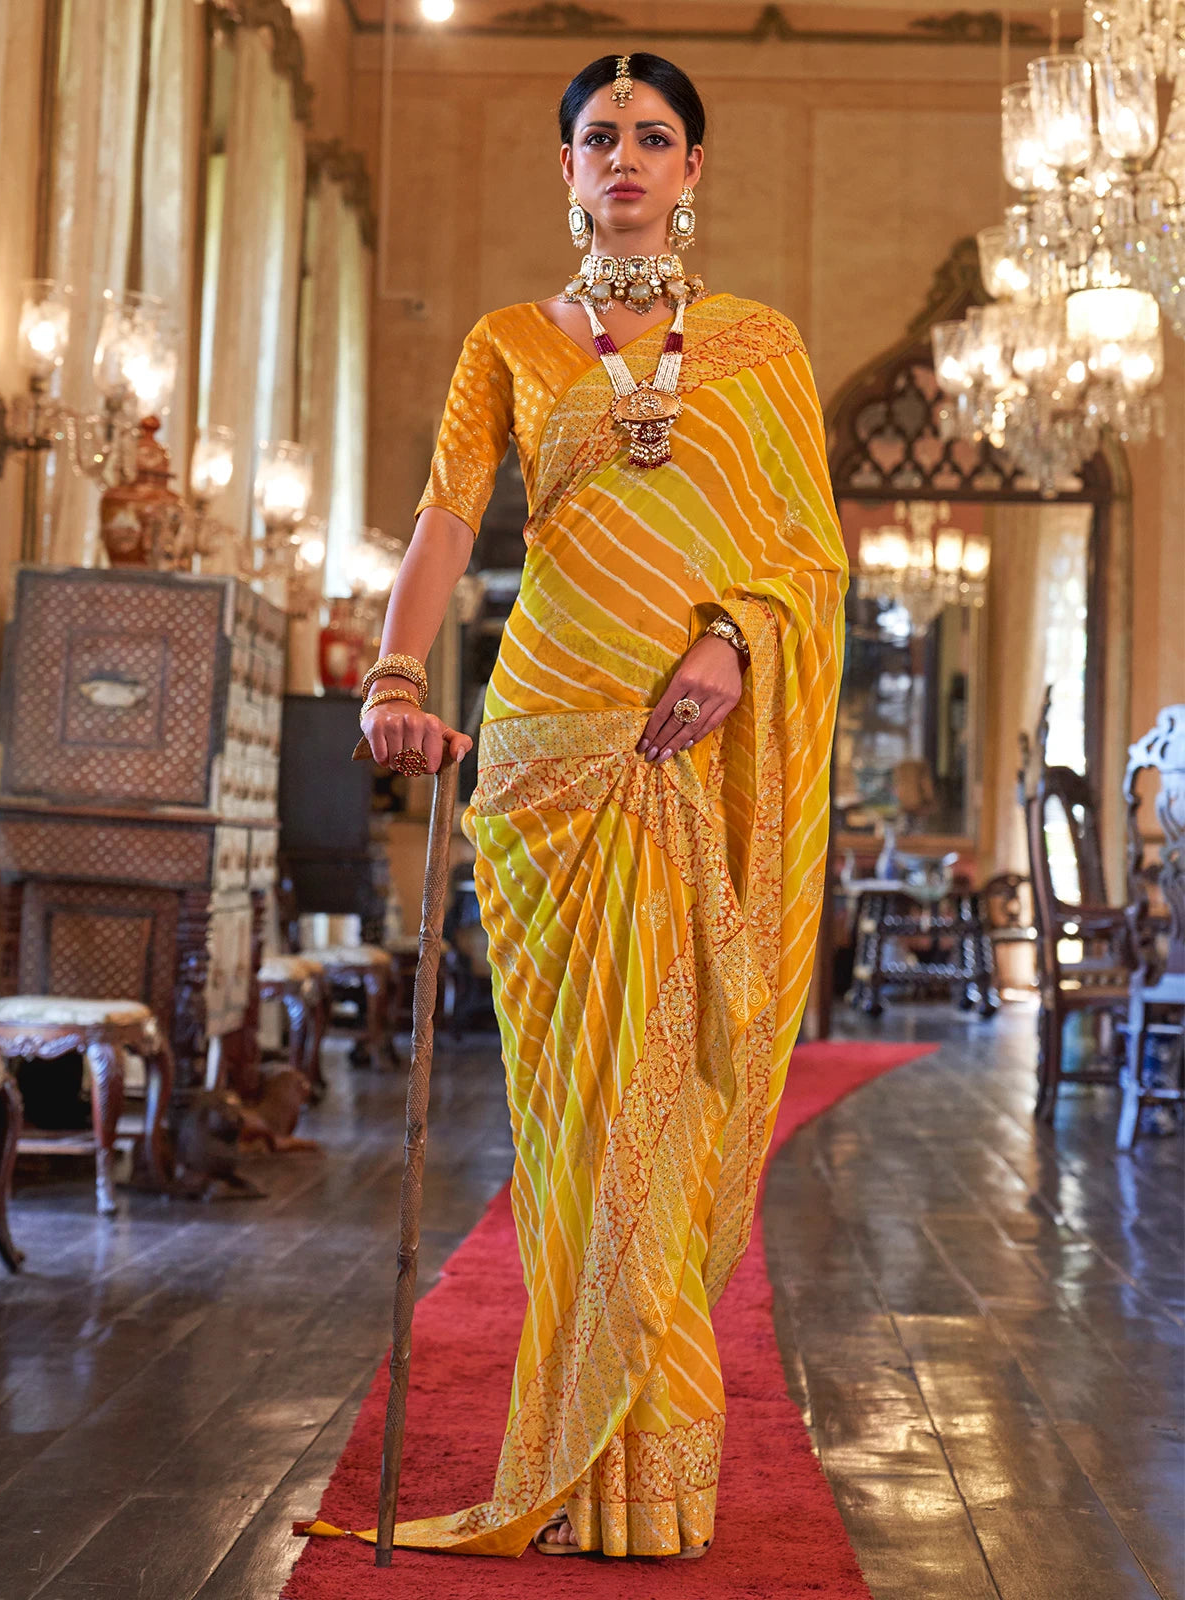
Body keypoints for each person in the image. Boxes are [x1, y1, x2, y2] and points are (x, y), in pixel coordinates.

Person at [353, 50, 847, 1560]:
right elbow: (448, 514)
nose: (623, 158)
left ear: (696, 167)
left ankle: (645, 1479)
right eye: (596, 138)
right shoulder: (508, 341)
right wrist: (390, 676)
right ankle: (580, 1463)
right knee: (572, 1124)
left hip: (676, 754)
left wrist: (732, 637)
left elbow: (810, 554)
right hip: (542, 763)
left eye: (652, 136)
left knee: (663, 1103)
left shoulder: (760, 352)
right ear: (565, 170)